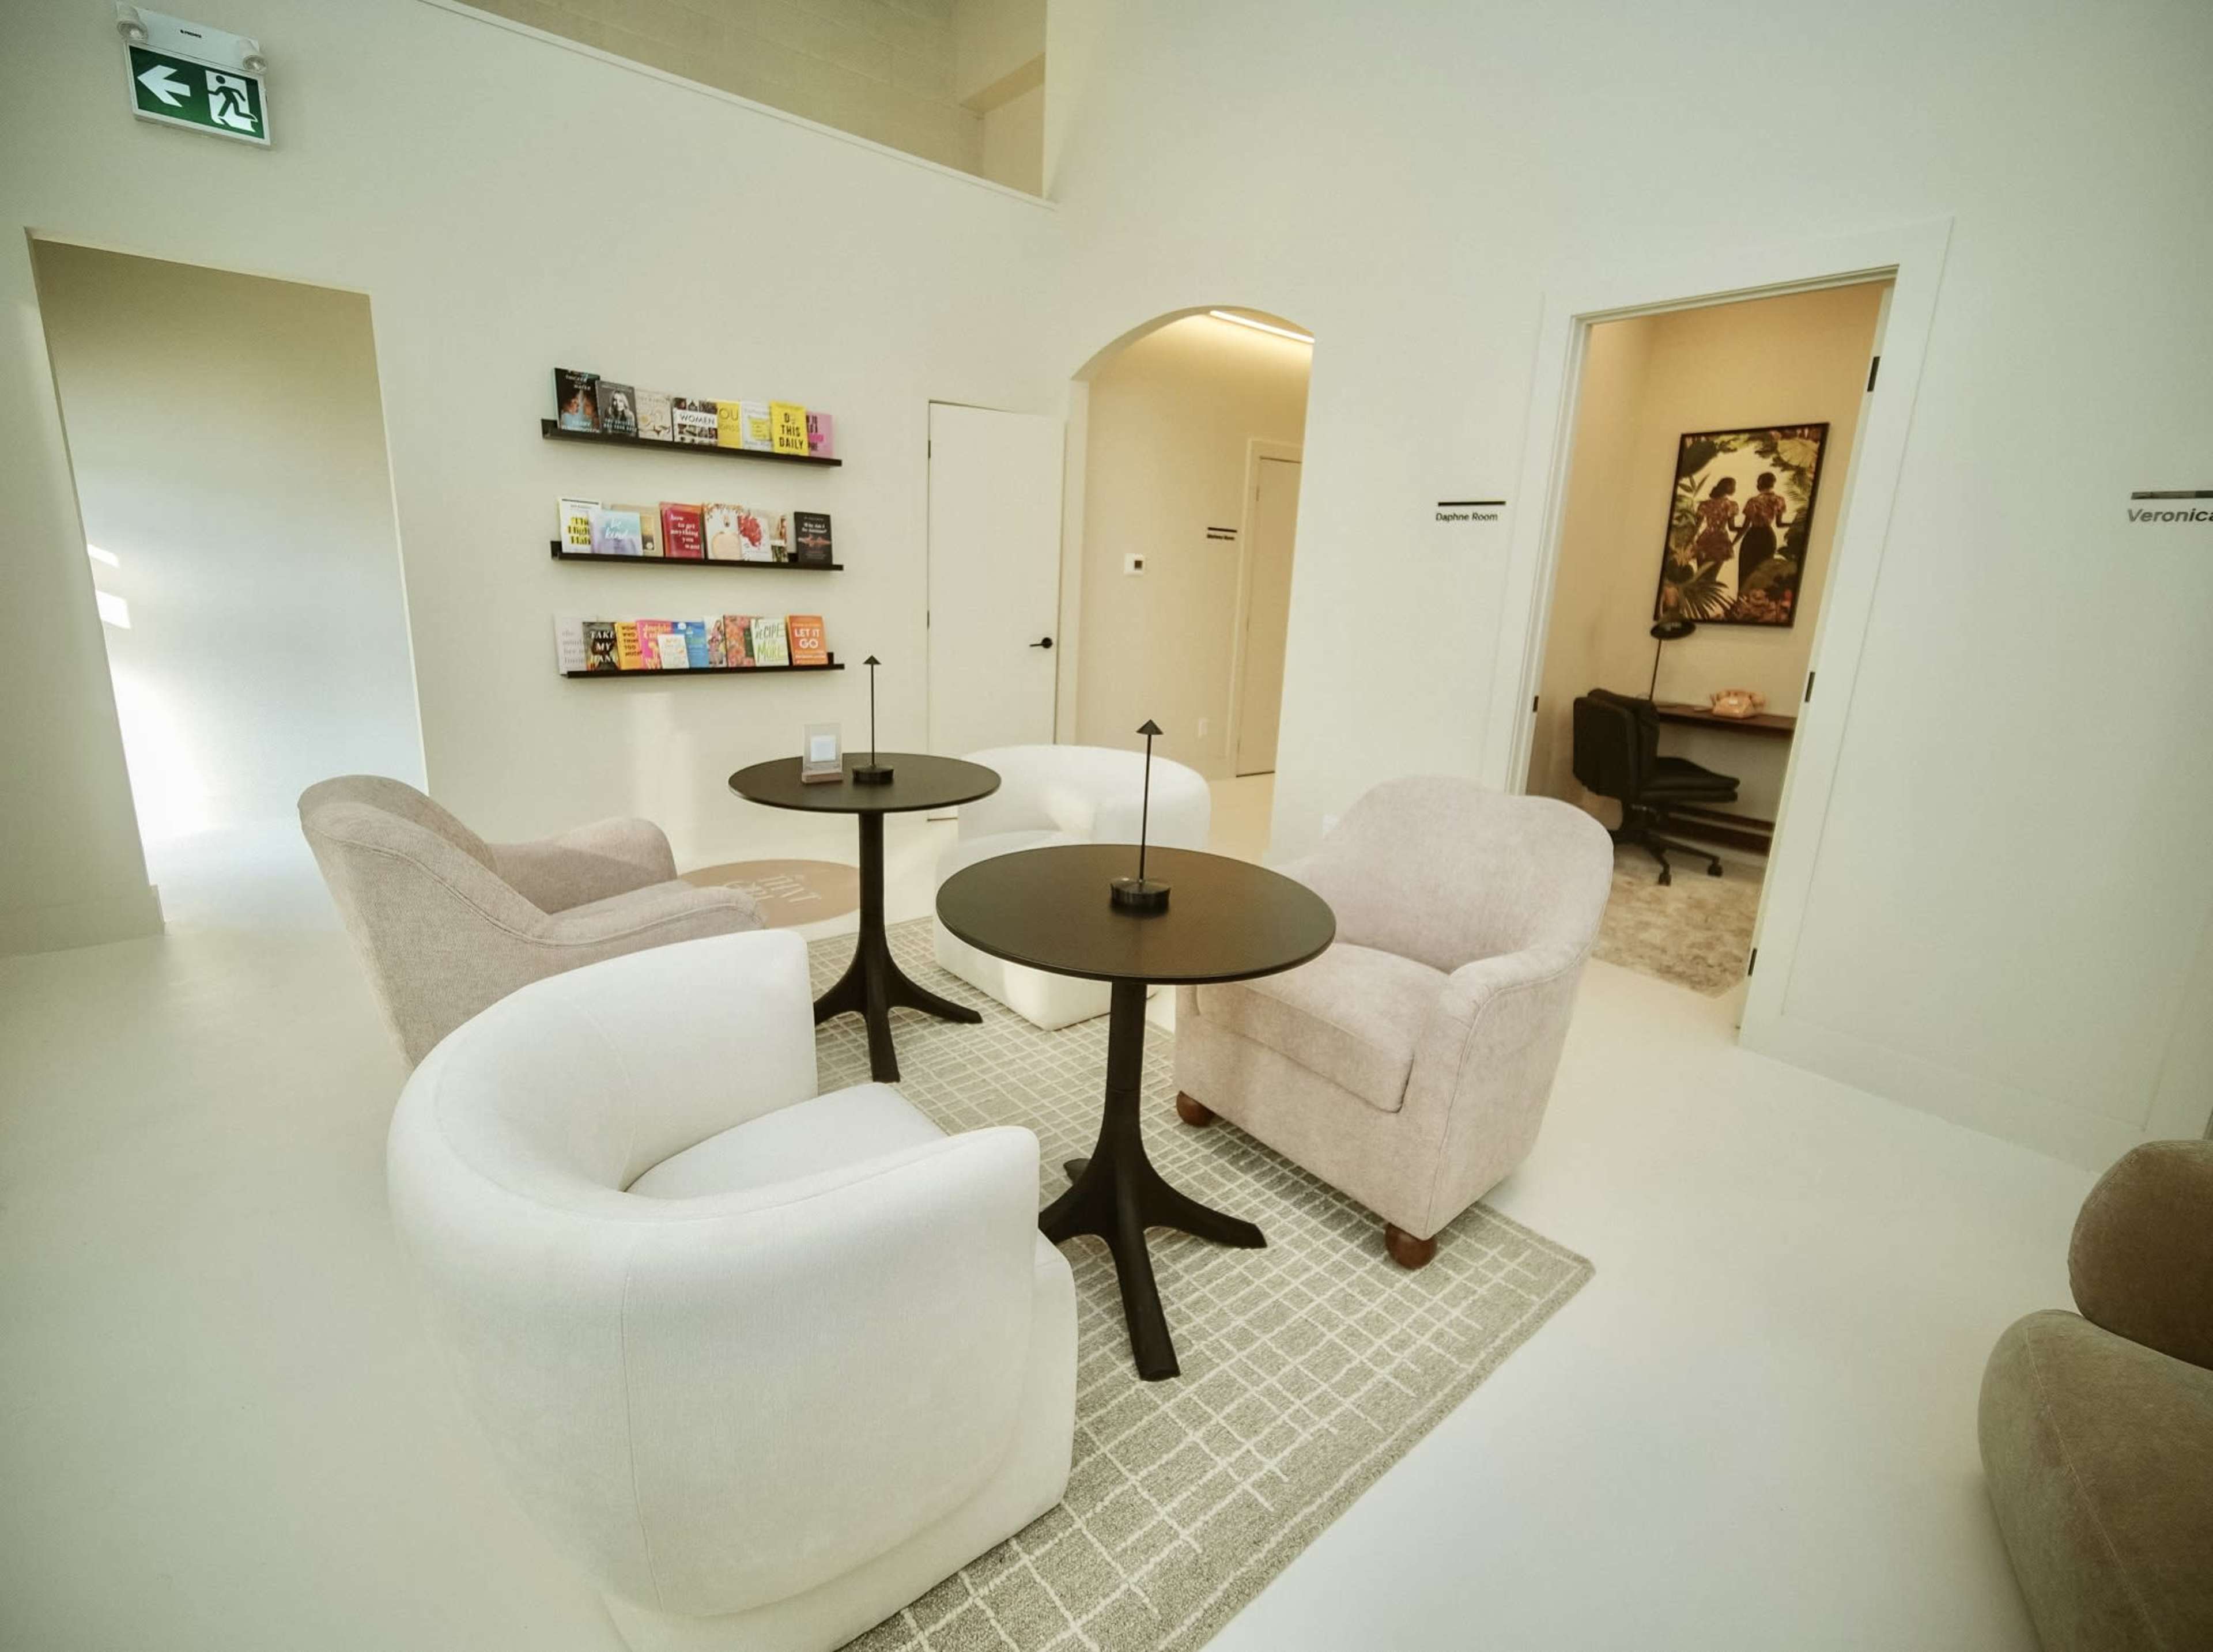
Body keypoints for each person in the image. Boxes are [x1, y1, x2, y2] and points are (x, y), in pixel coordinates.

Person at [1737, 471, 1791, 583]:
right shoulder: (1779, 500)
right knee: (1765, 573)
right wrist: (1793, 524)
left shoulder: (1753, 501)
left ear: (1760, 484)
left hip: (1753, 537)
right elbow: (1779, 524)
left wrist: (1733, 542)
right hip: (1768, 537)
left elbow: (1746, 526)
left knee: (1747, 572)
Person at [1687, 475, 1739, 565]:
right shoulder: (1731, 505)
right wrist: (1744, 529)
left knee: (1701, 575)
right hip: (1721, 541)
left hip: (1705, 539)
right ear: (1728, 487)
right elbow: (1732, 527)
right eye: (1734, 485)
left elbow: (1697, 526)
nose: (1735, 488)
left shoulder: (1705, 504)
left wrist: (1691, 542)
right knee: (1711, 576)